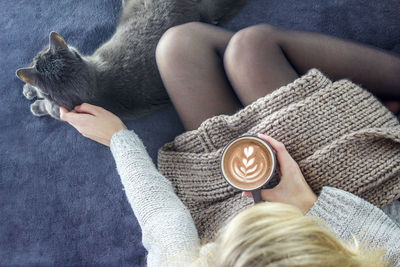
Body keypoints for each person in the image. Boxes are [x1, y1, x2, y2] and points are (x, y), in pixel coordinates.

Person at [59, 22, 400, 266]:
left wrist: (117, 138)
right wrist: (306, 203)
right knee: (251, 49)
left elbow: (165, 223)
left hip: (226, 205)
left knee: (180, 45)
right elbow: (388, 249)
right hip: (357, 214)